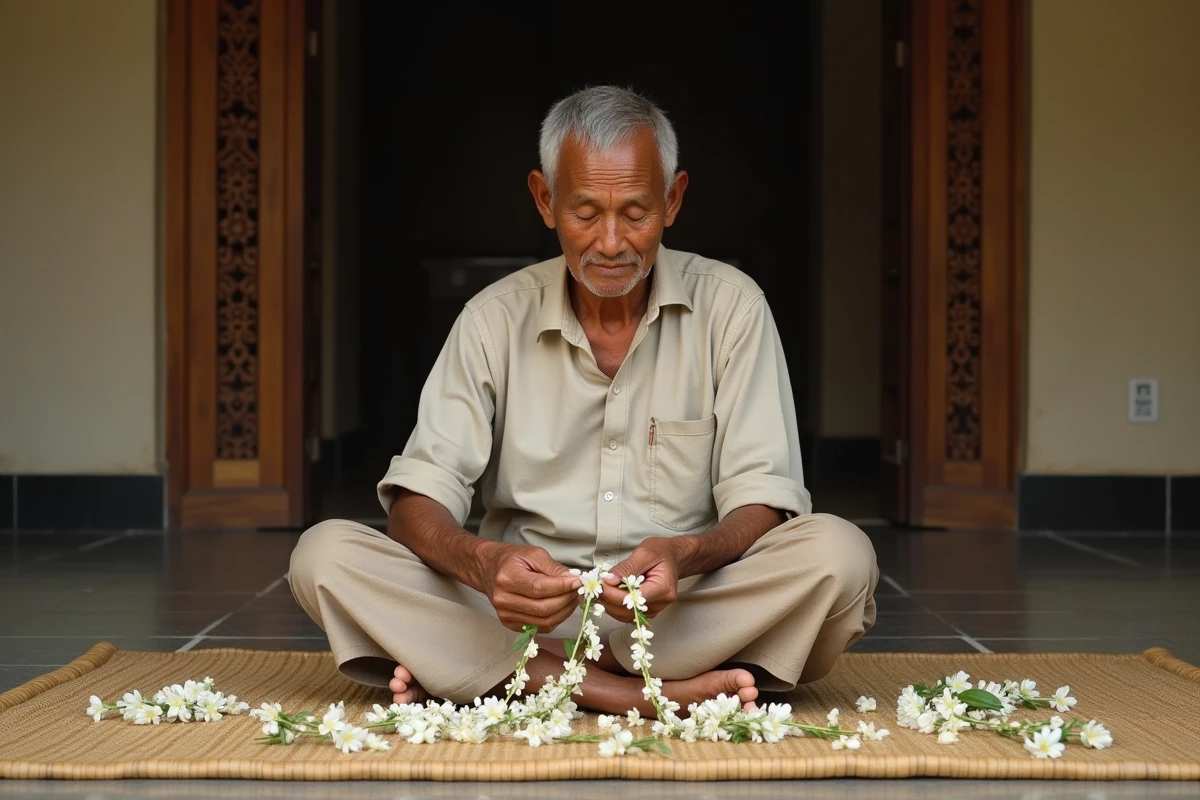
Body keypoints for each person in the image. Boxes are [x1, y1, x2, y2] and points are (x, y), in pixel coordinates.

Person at [289, 85, 879, 716]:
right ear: (545, 201)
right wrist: (486, 563)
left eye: (635, 212)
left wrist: (686, 553)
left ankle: (490, 676)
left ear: (673, 200)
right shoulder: (492, 320)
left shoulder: (732, 308)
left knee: (840, 556)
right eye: (585, 212)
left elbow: (764, 496)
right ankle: (632, 694)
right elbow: (416, 503)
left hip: (677, 616)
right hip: (517, 617)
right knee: (323, 556)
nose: (610, 243)